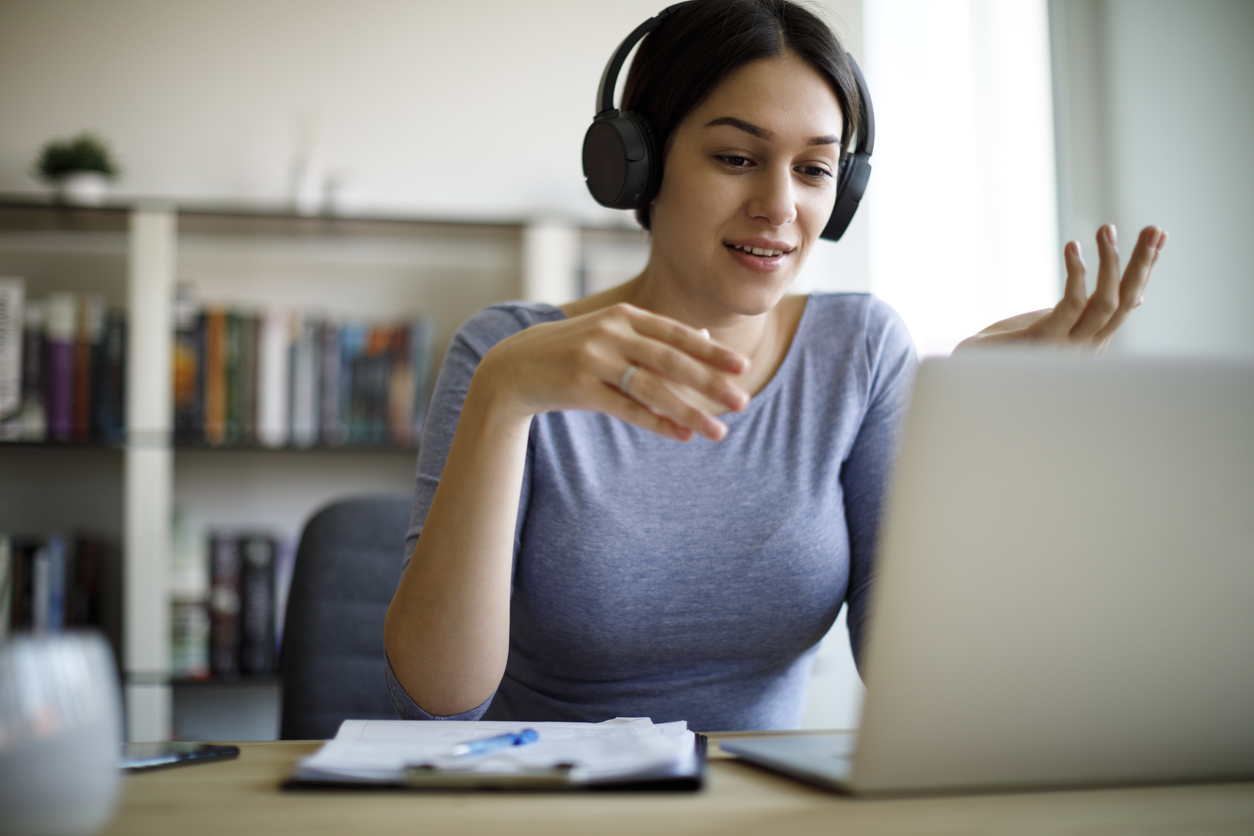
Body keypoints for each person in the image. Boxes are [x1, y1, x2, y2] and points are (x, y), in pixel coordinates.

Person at [383, 0, 1167, 730]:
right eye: (735, 157)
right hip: (553, 803)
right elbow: (443, 691)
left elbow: (919, 678)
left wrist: (972, 442)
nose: (781, 207)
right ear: (638, 165)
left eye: (815, 169)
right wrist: (505, 397)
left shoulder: (858, 351)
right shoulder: (506, 355)